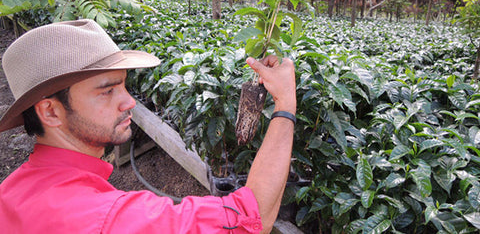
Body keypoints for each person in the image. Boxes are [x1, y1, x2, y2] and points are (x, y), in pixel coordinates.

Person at [0, 19, 296, 233]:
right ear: (50, 112)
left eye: (125, 86)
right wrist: (285, 104)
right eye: (107, 90)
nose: (129, 101)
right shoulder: (106, 218)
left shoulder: (9, 193)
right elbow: (249, 217)